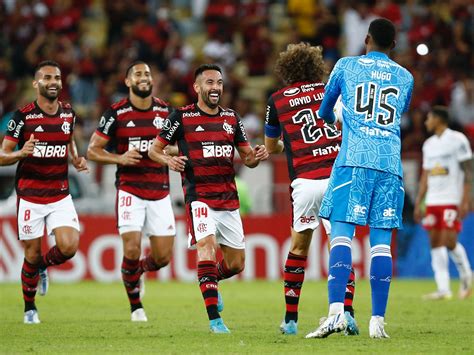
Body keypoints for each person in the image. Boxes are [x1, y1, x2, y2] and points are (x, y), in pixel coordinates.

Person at [305, 18, 414, 339]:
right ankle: (377, 322)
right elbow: (396, 114)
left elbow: (324, 112)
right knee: (382, 245)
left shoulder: (346, 65)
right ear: (393, 45)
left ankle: (336, 313)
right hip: (390, 164)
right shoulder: (406, 77)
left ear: (366, 39)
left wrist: (340, 115)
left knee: (341, 235)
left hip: (353, 161)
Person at [149, 63, 268, 333]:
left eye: (219, 83)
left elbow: (247, 158)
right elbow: (154, 150)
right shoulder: (180, 117)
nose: (215, 88)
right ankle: (215, 319)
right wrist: (168, 160)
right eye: (210, 83)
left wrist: (256, 156)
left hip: (227, 198)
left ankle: (210, 281)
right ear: (197, 87)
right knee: (206, 246)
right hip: (199, 197)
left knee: (236, 264)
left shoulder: (232, 118)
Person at [264, 42, 358, 336]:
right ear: (315, 67)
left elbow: (271, 147)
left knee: (298, 248)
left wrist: (283, 145)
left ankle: (290, 320)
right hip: (336, 177)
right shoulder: (332, 90)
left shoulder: (276, 100)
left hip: (304, 182)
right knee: (339, 246)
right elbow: (347, 126)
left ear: (287, 70)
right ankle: (349, 314)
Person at [87, 61, 176, 322]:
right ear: (128, 82)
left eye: (147, 73)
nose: (144, 77)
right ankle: (136, 306)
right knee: (132, 248)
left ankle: (138, 271)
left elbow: (179, 146)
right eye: (138, 74)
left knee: (162, 258)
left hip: (160, 190)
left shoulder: (166, 111)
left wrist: (163, 151)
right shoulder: (115, 113)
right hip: (130, 190)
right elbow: (93, 151)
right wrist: (120, 158)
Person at [0, 60, 88, 324]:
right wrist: (20, 153)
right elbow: (2, 155)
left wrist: (76, 158)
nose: (53, 82)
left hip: (60, 194)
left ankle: (41, 268)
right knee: (32, 253)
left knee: (69, 246)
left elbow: (70, 139)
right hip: (30, 195)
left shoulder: (68, 113)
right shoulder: (23, 116)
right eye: (47, 78)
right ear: (36, 83)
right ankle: (30, 307)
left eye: (57, 78)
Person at [414, 106, 472, 300]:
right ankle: (443, 288)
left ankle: (466, 275)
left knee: (449, 240)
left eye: (428, 118)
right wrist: (419, 201)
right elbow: (425, 175)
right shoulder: (428, 144)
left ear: (439, 119)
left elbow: (468, 170)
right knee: (435, 242)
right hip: (433, 200)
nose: (426, 122)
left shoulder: (458, 140)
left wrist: (466, 198)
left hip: (451, 198)